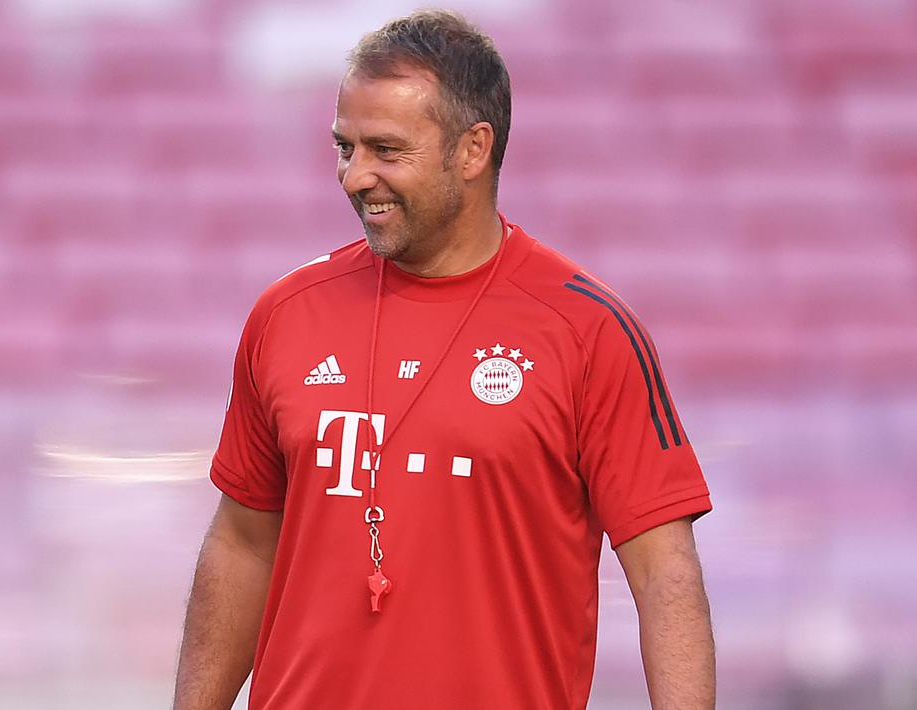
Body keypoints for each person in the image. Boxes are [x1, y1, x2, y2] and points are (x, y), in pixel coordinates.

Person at [173, 9, 714, 710]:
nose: (353, 176)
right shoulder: (285, 314)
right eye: (345, 147)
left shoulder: (587, 329)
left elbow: (664, 578)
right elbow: (241, 546)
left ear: (471, 149)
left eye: (385, 150)